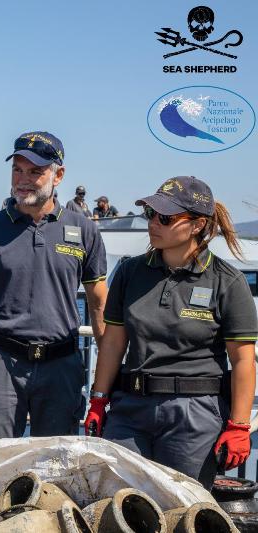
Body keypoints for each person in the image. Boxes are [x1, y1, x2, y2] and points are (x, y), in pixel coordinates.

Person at [84, 176, 257, 488]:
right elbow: (112, 344)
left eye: (165, 218)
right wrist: (98, 401)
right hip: (130, 411)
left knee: (181, 508)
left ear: (196, 225)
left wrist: (239, 426)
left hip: (194, 417)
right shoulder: (129, 272)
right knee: (118, 502)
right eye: (151, 214)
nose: (154, 224)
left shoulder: (227, 281)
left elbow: (243, 361)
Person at [0, 131, 108, 439]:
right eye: (17, 170)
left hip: (62, 365)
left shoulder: (85, 231)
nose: (23, 179)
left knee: (58, 462)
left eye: (35, 171)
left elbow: (100, 306)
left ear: (58, 175)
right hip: (1, 363)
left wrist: (107, 382)